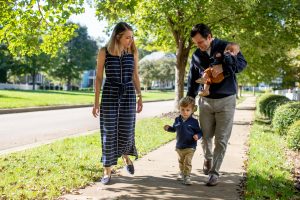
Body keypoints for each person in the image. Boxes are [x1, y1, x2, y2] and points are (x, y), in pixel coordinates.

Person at [187, 23, 247, 186]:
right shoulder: (196, 55)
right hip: (205, 101)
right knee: (205, 137)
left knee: (221, 139)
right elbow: (192, 78)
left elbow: (242, 64)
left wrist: (223, 68)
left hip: (226, 100)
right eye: (195, 43)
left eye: (200, 42)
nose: (198, 46)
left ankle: (214, 173)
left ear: (209, 37)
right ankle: (208, 158)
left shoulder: (227, 46)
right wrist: (190, 98)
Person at [92, 22, 143, 185]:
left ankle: (126, 156)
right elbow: (99, 77)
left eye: (132, 37)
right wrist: (96, 102)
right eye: (128, 37)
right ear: (118, 36)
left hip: (128, 94)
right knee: (109, 132)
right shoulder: (104, 52)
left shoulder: (133, 51)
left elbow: (135, 75)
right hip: (110, 93)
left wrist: (140, 95)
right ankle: (107, 170)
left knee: (126, 130)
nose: (131, 40)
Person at [163, 96, 202, 185]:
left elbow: (200, 132)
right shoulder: (177, 119)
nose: (185, 112)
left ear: (192, 110)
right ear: (179, 109)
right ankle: (182, 172)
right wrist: (168, 128)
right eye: (182, 109)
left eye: (187, 110)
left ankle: (187, 176)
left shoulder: (194, 122)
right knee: (181, 162)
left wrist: (197, 136)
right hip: (179, 146)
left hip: (190, 146)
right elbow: (174, 129)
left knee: (187, 162)